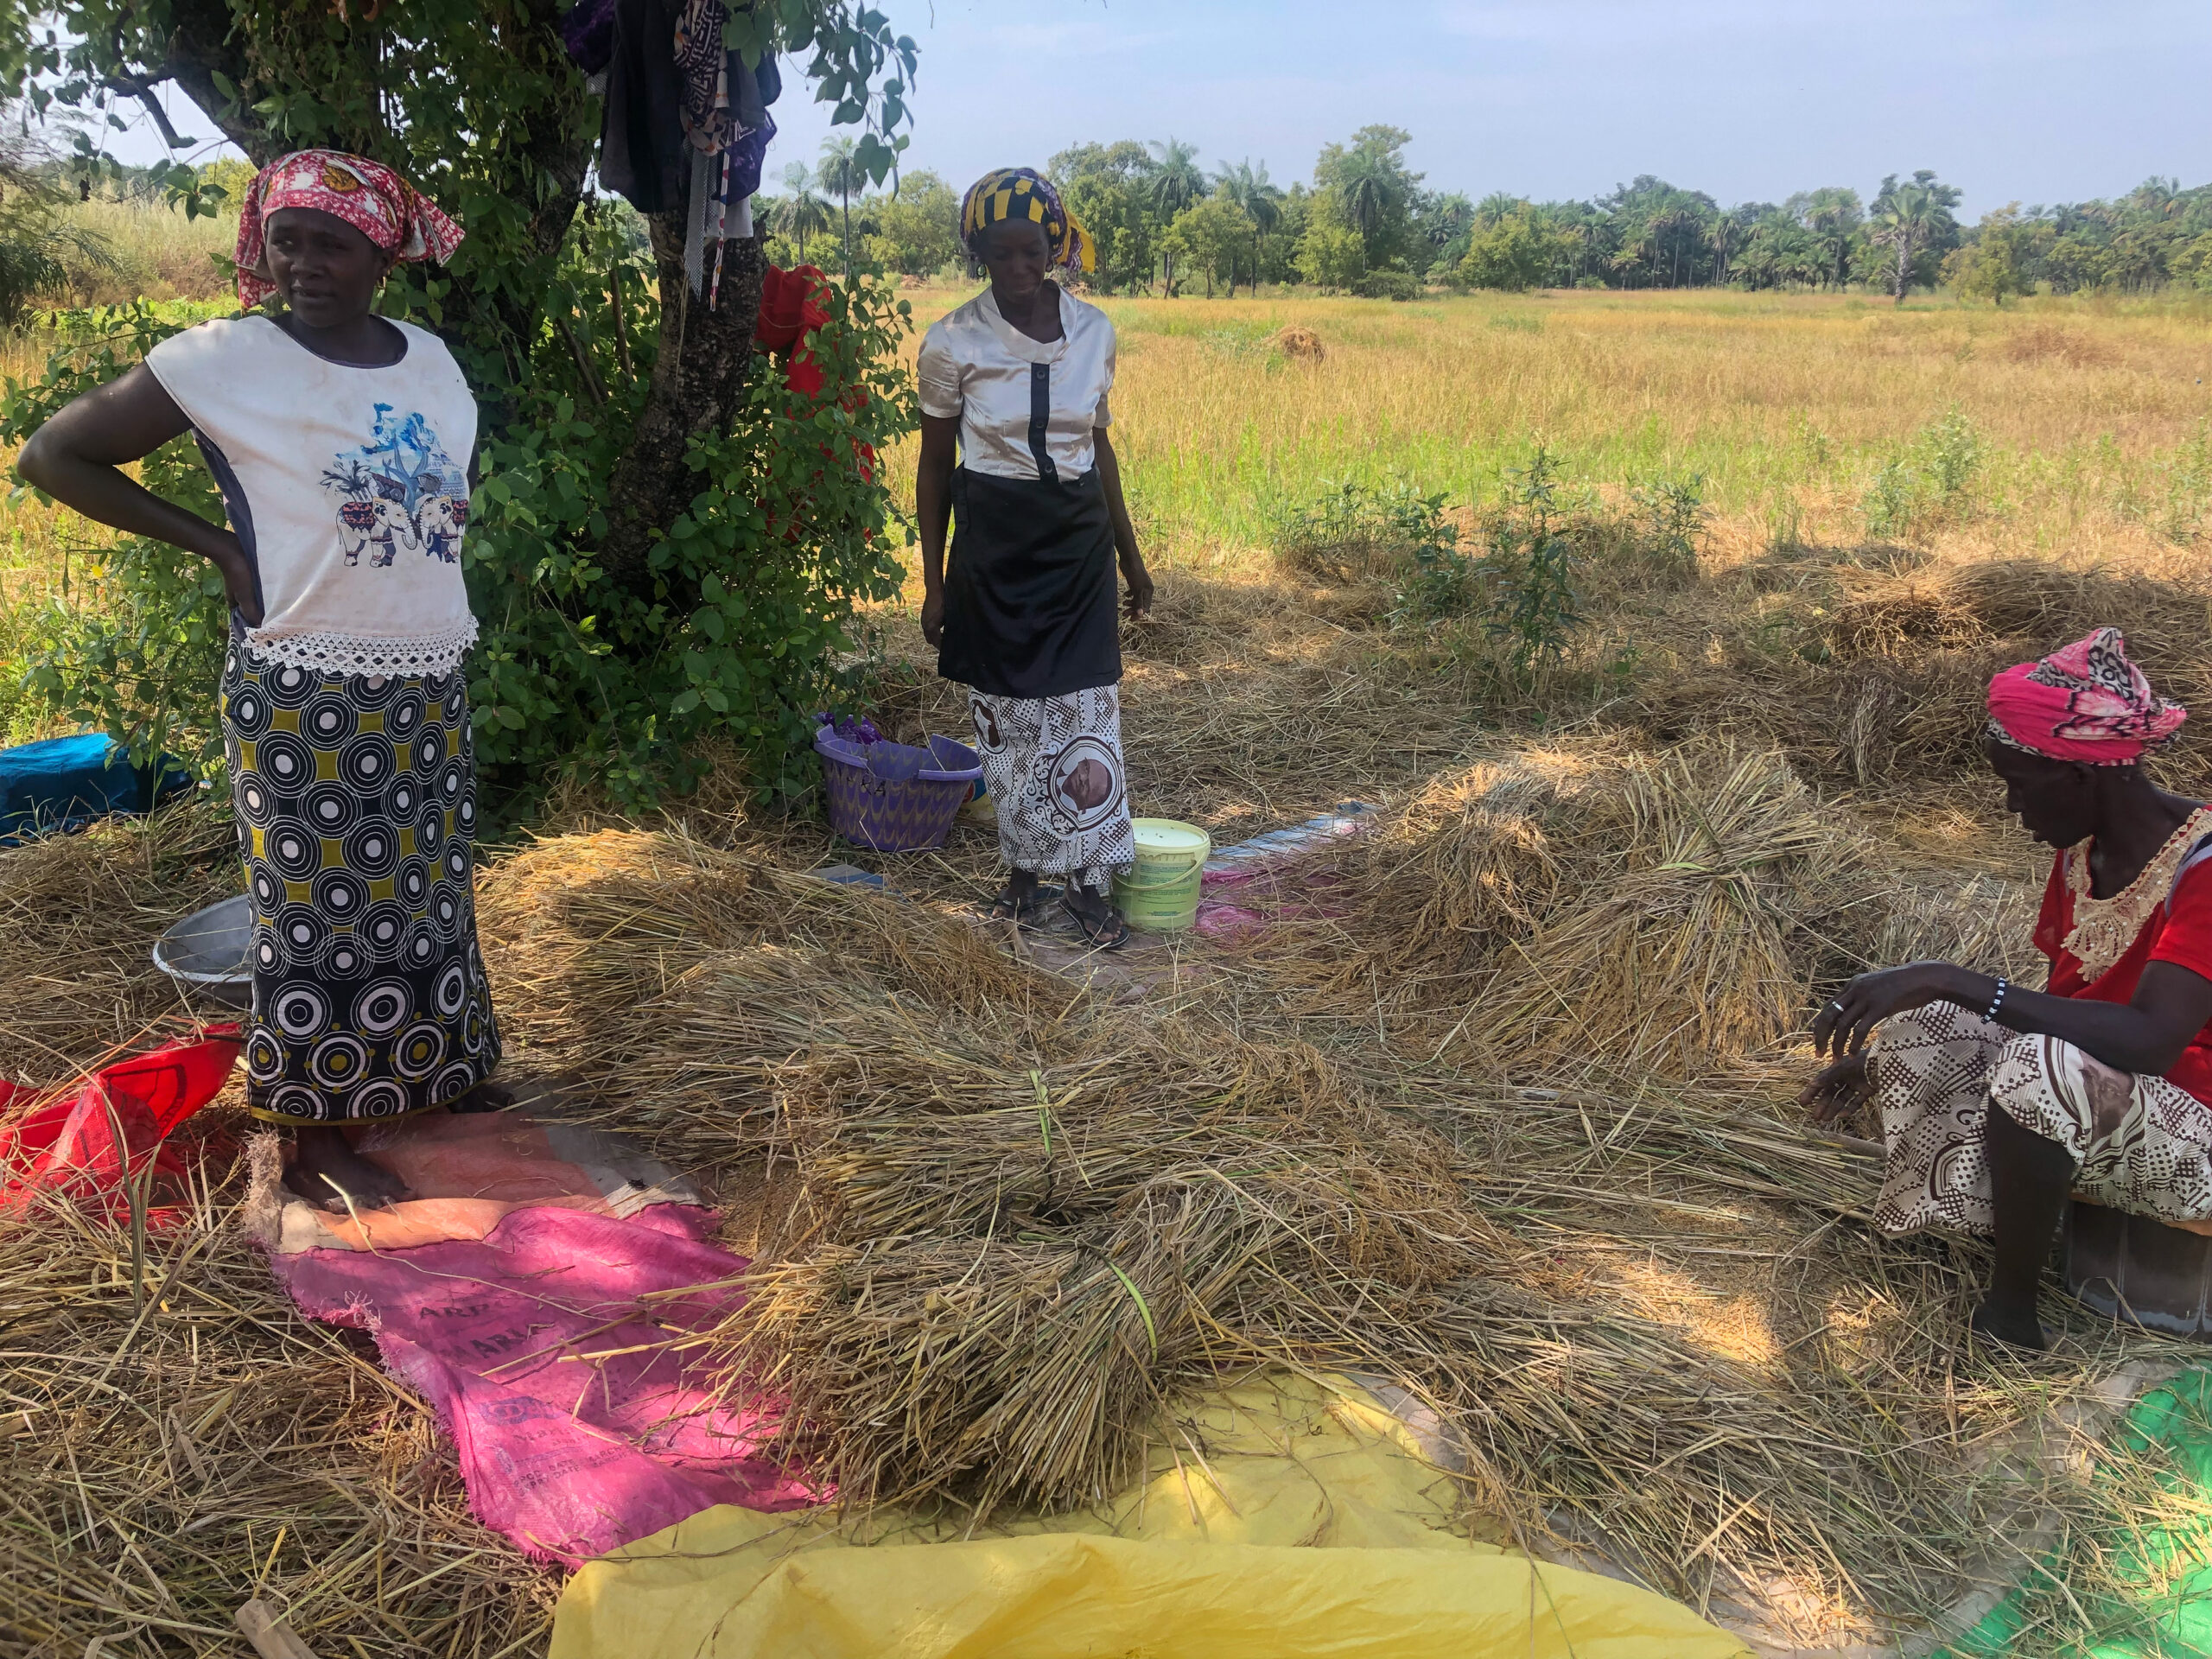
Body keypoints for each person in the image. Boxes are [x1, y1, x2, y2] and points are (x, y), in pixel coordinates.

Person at [18, 149, 501, 1211]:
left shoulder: (429, 359)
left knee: (420, 891)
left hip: (424, 672)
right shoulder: (222, 359)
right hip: (304, 681)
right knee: (320, 912)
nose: (305, 263)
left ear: (383, 253)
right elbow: (55, 456)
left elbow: (443, 491)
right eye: (288, 240)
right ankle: (311, 1137)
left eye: (333, 242)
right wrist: (226, 553)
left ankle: (426, 1078)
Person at [1804, 628, 2212, 1350]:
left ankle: (2013, 1315)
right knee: (1931, 1027)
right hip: (2133, 1104)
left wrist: (1955, 979)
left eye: (2021, 785)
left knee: (2037, 1069)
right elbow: (2071, 1014)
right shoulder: (2084, 857)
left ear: (2085, 778)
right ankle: (1963, 1221)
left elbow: (2149, 1039)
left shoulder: (2203, 870)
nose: (2011, 805)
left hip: (2200, 1134)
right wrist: (1892, 1059)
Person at [915, 167, 1154, 950]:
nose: (1017, 270)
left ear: (1055, 246)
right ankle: (1022, 877)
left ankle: (1088, 885)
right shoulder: (952, 341)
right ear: (978, 253)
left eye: (1030, 252)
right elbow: (934, 467)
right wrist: (934, 581)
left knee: (1086, 712)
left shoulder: (1096, 332)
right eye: (997, 255)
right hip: (994, 544)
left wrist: (1132, 559)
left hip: (1076, 544)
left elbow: (1100, 445)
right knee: (1007, 716)